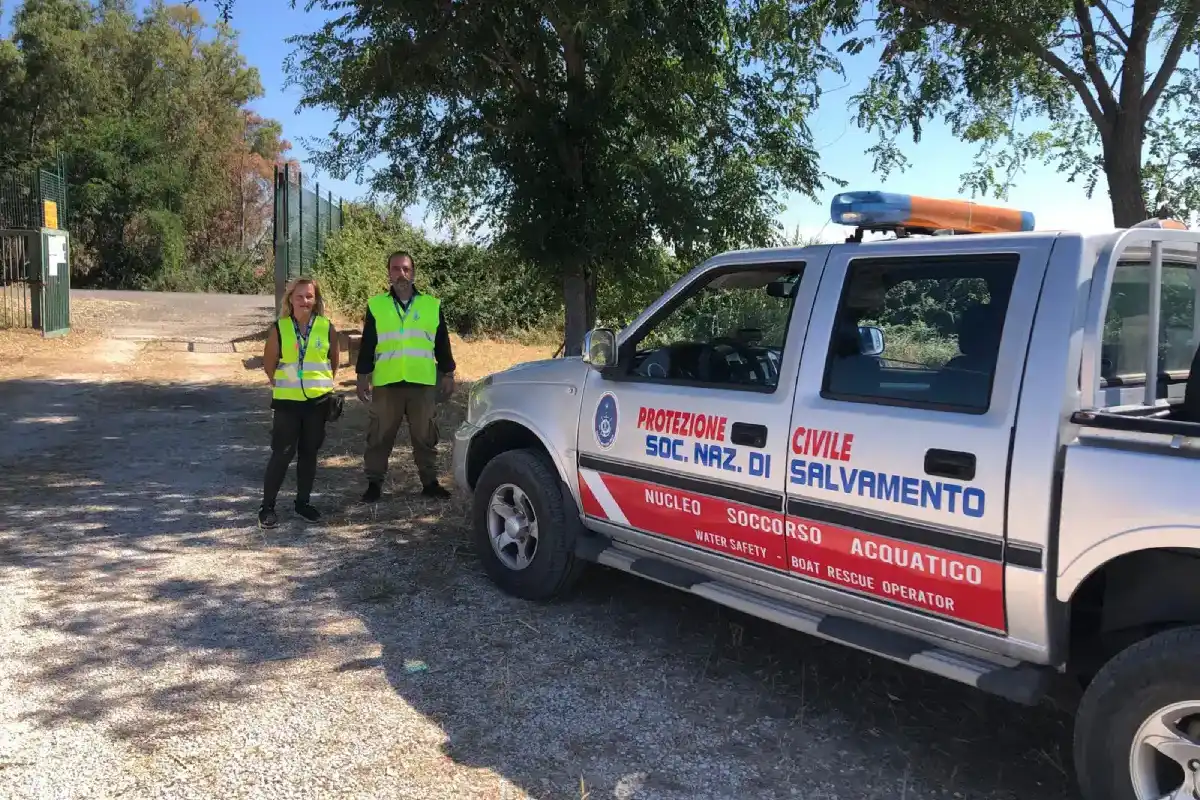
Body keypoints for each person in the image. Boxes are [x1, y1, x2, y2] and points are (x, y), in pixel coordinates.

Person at [356, 251, 456, 502]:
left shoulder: (431, 305)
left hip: (422, 383)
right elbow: (368, 344)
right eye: (396, 269)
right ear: (388, 273)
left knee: (425, 435)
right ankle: (374, 484)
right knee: (379, 435)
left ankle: (430, 482)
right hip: (387, 383)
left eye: (406, 269)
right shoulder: (376, 305)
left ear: (413, 273)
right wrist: (361, 376)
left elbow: (442, 343)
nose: (401, 274)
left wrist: (448, 373)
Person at [259, 276, 340, 527]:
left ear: (315, 300)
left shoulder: (326, 327)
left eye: (309, 296)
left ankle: (302, 503)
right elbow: (269, 365)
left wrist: (318, 385)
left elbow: (333, 363)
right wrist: (290, 383)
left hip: (317, 403)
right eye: (300, 296)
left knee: (309, 454)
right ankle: (267, 507)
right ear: (290, 299)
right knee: (282, 454)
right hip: (288, 403)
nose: (305, 301)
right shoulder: (280, 328)